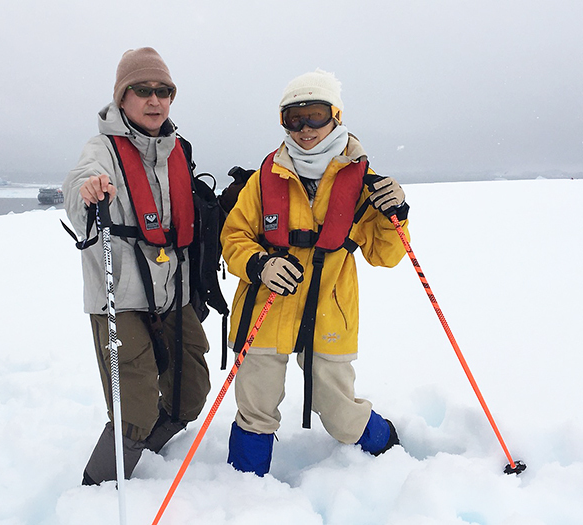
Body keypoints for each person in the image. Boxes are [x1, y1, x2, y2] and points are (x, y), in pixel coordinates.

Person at [221, 69, 410, 476]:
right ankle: (243, 487)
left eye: (316, 115)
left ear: (335, 116)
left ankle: (390, 449)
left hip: (329, 308)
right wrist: (260, 263)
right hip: (265, 308)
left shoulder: (363, 182)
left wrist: (396, 215)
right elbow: (234, 237)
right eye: (293, 118)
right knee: (255, 406)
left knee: (341, 412)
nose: (305, 128)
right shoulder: (264, 178)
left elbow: (385, 255)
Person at [62, 47, 211, 486]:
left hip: (173, 291)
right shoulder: (102, 148)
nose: (155, 100)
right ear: (122, 97)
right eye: (142, 90)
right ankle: (98, 489)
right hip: (120, 293)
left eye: (163, 91)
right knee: (134, 408)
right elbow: (77, 185)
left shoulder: (176, 149)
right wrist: (88, 191)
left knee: (190, 392)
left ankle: (145, 448)